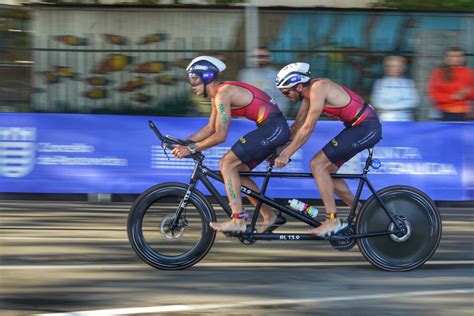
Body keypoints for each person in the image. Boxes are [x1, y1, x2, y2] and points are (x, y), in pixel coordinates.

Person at [171, 56, 290, 233]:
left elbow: (220, 136)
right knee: (237, 172)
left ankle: (238, 220)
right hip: (272, 127)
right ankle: (269, 215)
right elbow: (210, 128)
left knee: (226, 163)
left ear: (206, 77)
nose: (192, 86)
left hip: (273, 127)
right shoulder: (217, 96)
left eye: (194, 80)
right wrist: (183, 142)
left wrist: (191, 149)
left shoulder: (223, 94)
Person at [273, 62, 382, 236]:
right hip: (358, 127)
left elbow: (308, 128)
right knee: (327, 172)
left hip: (365, 127)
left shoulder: (319, 88)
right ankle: (362, 212)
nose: (285, 95)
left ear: (299, 86)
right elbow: (297, 126)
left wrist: (286, 154)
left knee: (317, 164)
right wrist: (275, 148)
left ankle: (332, 220)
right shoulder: (308, 95)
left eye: (286, 91)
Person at [238, 48, 290, 116]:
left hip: (271, 116)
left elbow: (283, 98)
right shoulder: (244, 74)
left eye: (264, 57)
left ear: (269, 58)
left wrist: (276, 113)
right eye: (257, 57)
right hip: (248, 116)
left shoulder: (277, 75)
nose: (261, 59)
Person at [428, 47, 473, 121]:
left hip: (464, 113)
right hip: (442, 112)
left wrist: (467, 93)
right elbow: (434, 94)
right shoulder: (438, 72)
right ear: (446, 58)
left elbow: (472, 92)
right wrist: (452, 96)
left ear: (463, 58)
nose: (455, 58)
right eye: (452, 56)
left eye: (459, 56)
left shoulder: (469, 73)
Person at [371, 56, 419, 121]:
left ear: (402, 68)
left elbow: (414, 101)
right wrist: (398, 106)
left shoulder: (409, 83)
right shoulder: (380, 83)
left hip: (404, 119)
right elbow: (376, 102)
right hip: (384, 119)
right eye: (390, 66)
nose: (392, 69)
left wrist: (389, 107)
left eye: (396, 66)